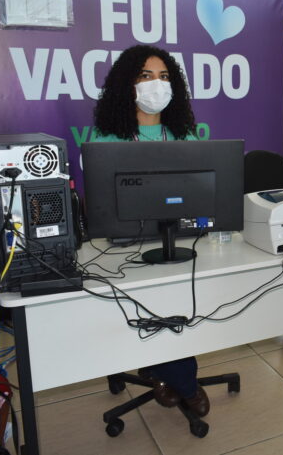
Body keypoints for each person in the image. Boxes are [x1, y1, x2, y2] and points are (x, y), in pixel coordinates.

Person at [92, 44, 208, 416]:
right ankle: (183, 381)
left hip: (179, 240)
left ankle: (163, 371)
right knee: (155, 301)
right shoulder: (106, 138)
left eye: (164, 77)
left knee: (182, 296)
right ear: (128, 84)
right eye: (146, 76)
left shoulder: (184, 135)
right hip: (126, 247)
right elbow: (101, 205)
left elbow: (202, 194)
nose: (156, 85)